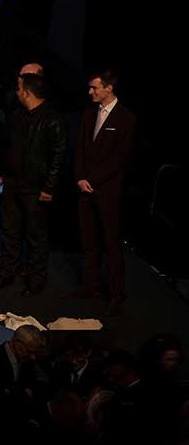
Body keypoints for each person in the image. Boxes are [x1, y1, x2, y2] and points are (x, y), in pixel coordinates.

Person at [0, 73, 65, 295]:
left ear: (27, 92)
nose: (17, 91)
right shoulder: (17, 115)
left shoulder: (53, 119)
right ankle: (6, 275)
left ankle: (35, 281)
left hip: (36, 187)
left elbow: (58, 156)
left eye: (20, 88)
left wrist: (49, 187)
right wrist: (1, 171)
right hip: (13, 184)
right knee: (10, 232)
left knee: (36, 236)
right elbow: (7, 146)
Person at [75, 69, 136, 311]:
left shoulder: (125, 118)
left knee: (111, 244)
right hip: (85, 188)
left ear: (109, 88)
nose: (90, 92)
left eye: (95, 88)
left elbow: (120, 157)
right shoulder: (89, 113)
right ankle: (90, 287)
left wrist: (92, 179)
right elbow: (79, 147)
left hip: (107, 191)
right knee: (89, 241)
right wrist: (80, 177)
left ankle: (116, 294)